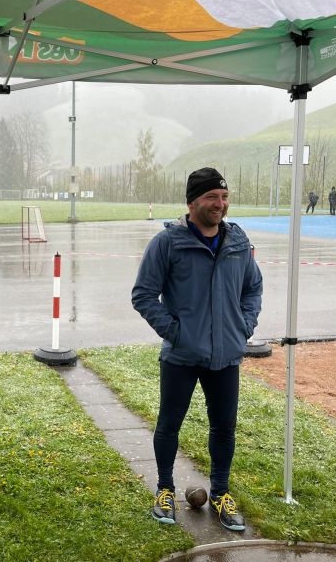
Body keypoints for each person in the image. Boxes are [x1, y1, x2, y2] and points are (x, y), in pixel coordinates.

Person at [131, 167, 262, 532]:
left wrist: (244, 325)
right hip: (182, 355)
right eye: (211, 197)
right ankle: (164, 490)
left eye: (224, 197)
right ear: (192, 203)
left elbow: (253, 288)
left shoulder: (237, 243)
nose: (220, 204)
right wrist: (176, 332)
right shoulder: (168, 243)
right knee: (169, 424)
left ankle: (220, 492)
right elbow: (143, 294)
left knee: (224, 427)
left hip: (226, 355)